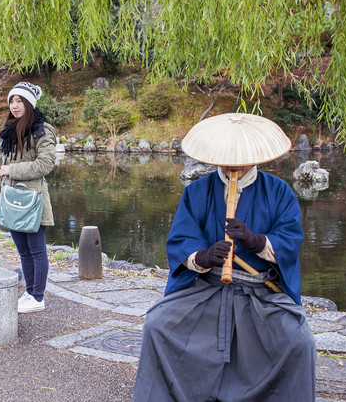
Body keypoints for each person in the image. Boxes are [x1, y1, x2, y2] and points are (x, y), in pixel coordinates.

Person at [132, 113, 316, 402]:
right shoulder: (197, 191)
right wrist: (204, 257)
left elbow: (290, 241)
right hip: (207, 287)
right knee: (158, 325)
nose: (233, 163)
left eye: (241, 157)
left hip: (260, 291)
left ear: (254, 156)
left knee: (299, 341)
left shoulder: (280, 192)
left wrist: (256, 241)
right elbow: (181, 240)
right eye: (227, 157)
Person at [0, 82, 56, 313]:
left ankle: (37, 297)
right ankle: (30, 292)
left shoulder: (42, 128)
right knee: (23, 251)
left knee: (37, 251)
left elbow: (45, 163)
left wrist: (12, 170)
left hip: (32, 200)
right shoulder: (11, 129)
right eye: (12, 101)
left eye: (19, 101)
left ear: (29, 103)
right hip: (13, 198)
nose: (14, 105)